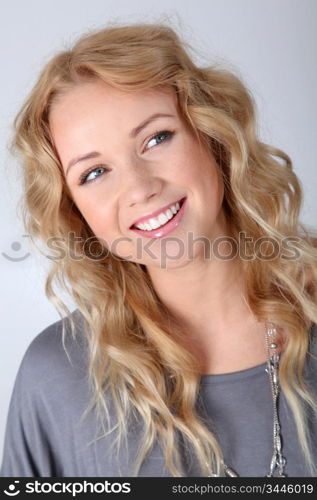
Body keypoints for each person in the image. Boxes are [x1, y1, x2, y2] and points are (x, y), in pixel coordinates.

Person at [1, 22, 317, 478]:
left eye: (156, 138)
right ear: (76, 212)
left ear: (211, 135)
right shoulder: (57, 377)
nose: (139, 187)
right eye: (94, 173)